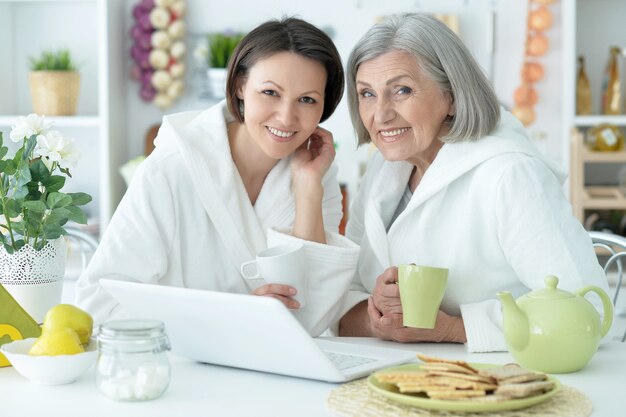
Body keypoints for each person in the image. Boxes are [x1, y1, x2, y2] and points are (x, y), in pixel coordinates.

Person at [337, 13, 610, 352]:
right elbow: (344, 299)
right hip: (397, 377)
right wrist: (376, 317)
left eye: (402, 90)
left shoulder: (510, 173)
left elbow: (587, 309)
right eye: (367, 94)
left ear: (451, 95)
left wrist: (452, 328)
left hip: (503, 383)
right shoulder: (385, 168)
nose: (380, 115)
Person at [76, 17, 359, 336]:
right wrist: (232, 315)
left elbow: (314, 315)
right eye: (270, 92)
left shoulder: (317, 173)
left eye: (307, 100)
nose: (286, 116)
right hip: (184, 371)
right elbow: (99, 304)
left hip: (281, 372)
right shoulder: (170, 169)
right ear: (240, 86)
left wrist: (308, 187)